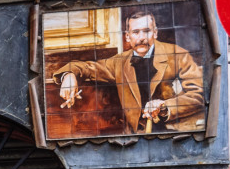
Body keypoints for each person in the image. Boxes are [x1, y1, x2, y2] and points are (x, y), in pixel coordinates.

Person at [55, 11, 204, 134]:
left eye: (146, 31)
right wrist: (69, 75)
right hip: (134, 139)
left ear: (155, 33)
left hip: (174, 135)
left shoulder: (178, 54)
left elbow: (199, 94)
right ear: (128, 36)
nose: (141, 38)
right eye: (136, 32)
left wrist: (165, 106)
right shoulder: (120, 62)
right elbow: (87, 68)